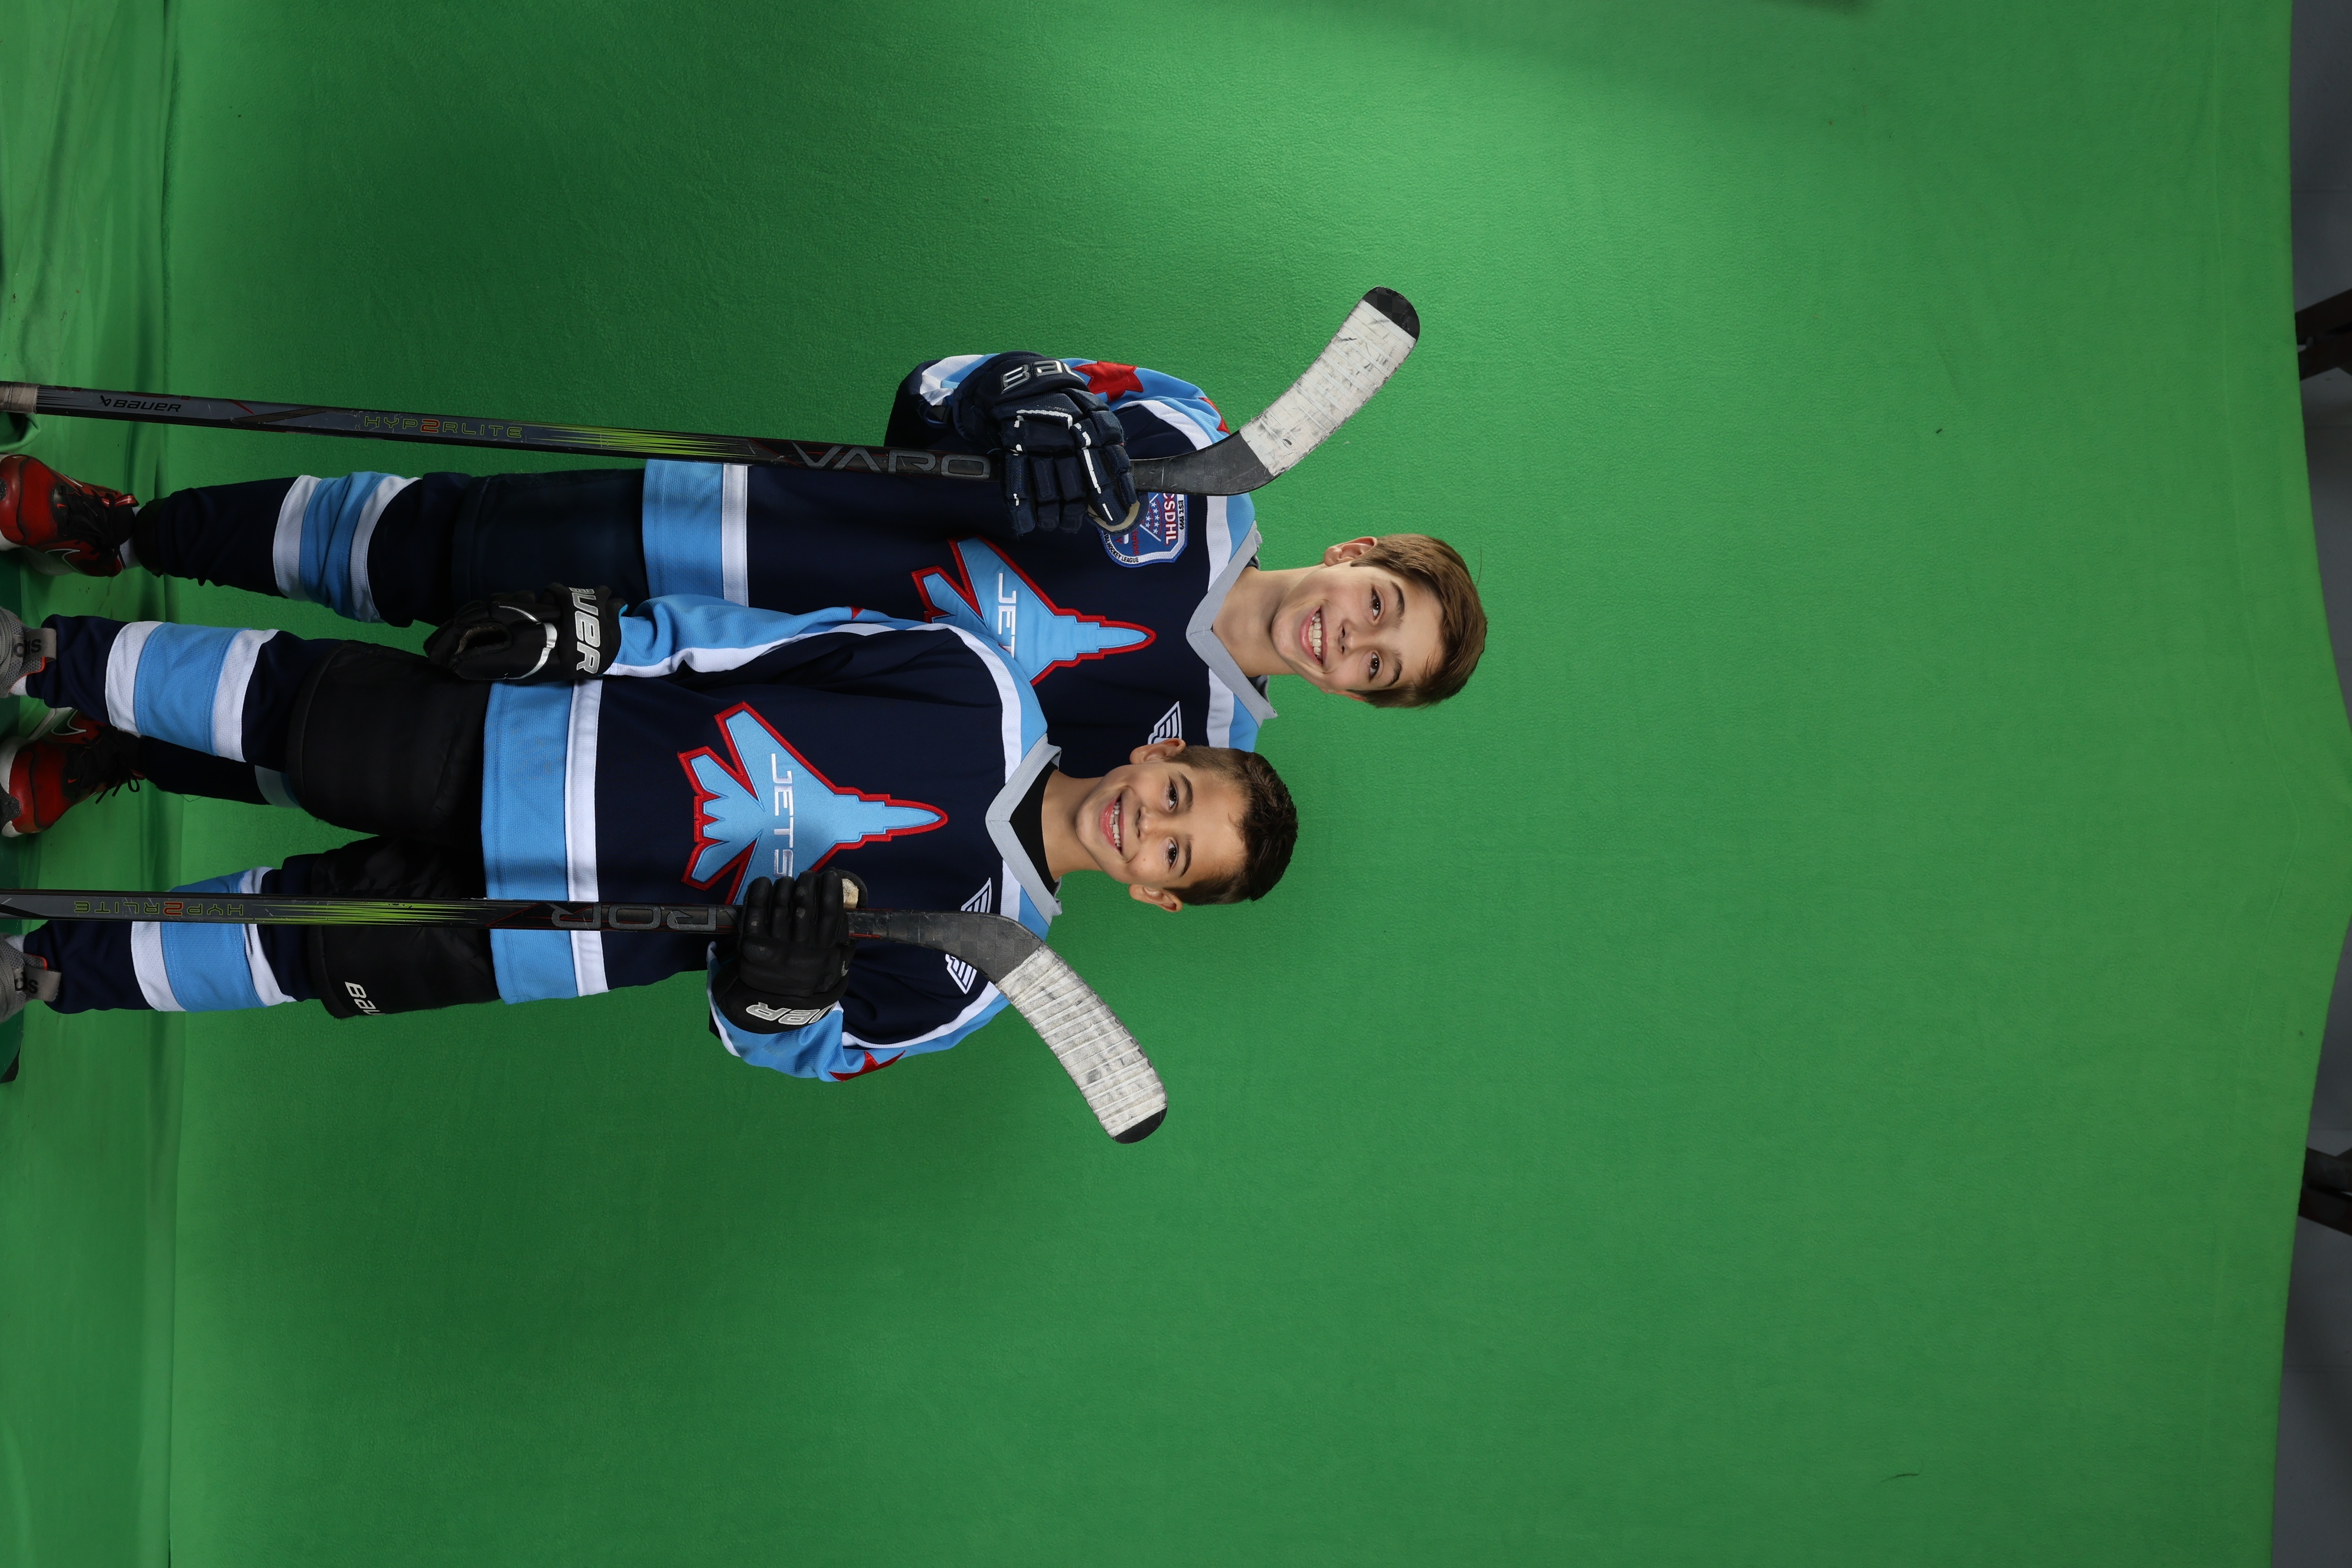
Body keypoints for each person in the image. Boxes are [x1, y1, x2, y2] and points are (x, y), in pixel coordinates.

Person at [0, 351, 1488, 786]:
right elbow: (945, 385)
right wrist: (1026, 407)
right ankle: (121, 529)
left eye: (1378, 666)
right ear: (1357, 551)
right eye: (1381, 605)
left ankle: (118, 739)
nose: (1350, 635)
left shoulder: (1197, 772)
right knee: (426, 549)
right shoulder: (1190, 446)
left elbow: (997, 815)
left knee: (398, 741)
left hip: (709, 712)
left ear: (1354, 697)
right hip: (738, 538)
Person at [0, 591, 1297, 1084]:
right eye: (1180, 794)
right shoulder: (978, 680)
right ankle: (50, 655)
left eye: (1177, 854)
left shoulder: (978, 975)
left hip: (550, 934)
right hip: (535, 741)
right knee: (291, 702)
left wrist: (779, 998)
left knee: (292, 945)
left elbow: (798, 1051)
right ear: (1160, 751)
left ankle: (47, 967)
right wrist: (593, 633)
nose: (1153, 825)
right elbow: (754, 642)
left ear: (1155, 893)